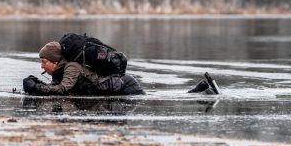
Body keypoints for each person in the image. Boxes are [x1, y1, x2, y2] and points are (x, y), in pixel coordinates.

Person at [22, 39, 219, 97]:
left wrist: (37, 88)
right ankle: (201, 89)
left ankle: (201, 91)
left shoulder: (71, 67)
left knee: (154, 98)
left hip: (124, 85)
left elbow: (63, 89)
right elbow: (62, 87)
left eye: (43, 61)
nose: (41, 65)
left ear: (55, 61)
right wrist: (38, 83)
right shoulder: (62, 71)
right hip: (116, 86)